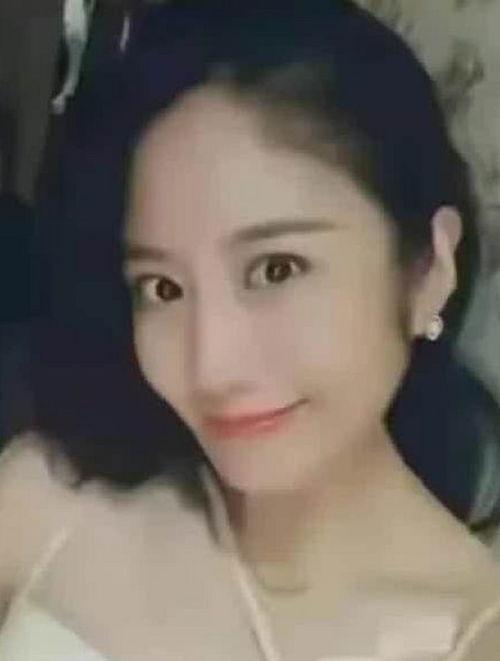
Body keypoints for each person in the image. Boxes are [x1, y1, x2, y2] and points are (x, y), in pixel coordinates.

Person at [2, 2, 500, 659]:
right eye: (162, 288)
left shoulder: (473, 636)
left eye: (276, 269)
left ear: (429, 269)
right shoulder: (46, 498)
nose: (212, 366)